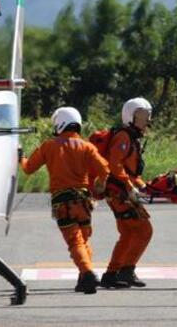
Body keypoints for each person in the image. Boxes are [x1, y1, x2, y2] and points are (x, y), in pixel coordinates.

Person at [19, 107, 109, 294]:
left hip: (63, 202)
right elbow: (105, 170)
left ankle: (88, 272)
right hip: (84, 201)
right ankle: (84, 279)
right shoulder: (87, 147)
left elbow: (28, 169)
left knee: (74, 241)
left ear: (60, 124)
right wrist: (99, 185)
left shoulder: (49, 146)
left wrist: (20, 157)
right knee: (84, 240)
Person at [100, 97, 153, 289]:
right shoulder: (123, 137)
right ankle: (126, 271)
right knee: (144, 230)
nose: (146, 120)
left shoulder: (131, 138)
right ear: (130, 116)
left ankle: (112, 274)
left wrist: (142, 185)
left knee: (129, 233)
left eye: (147, 115)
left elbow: (131, 171)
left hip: (121, 192)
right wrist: (130, 187)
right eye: (142, 116)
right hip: (119, 193)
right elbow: (115, 165)